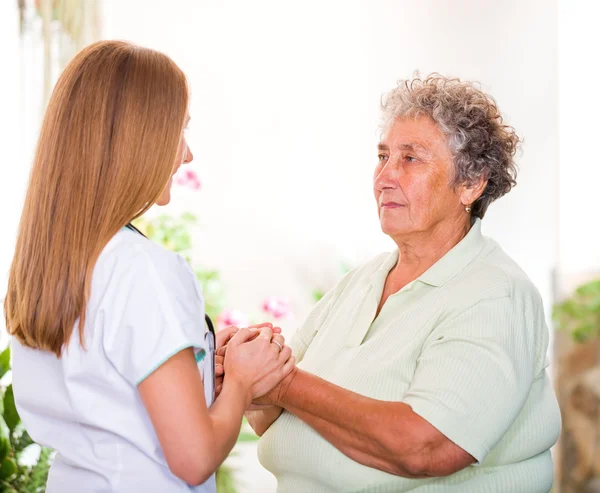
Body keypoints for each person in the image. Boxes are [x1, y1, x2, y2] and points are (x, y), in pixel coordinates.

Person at [245, 75, 562, 492]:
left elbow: (429, 447)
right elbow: (271, 417)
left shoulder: (495, 294)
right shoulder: (361, 282)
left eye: (411, 159)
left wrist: (284, 382)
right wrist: (251, 378)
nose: (384, 177)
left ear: (471, 184)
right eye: (382, 156)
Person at [4, 40, 294, 493]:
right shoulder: (142, 270)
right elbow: (193, 457)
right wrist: (241, 380)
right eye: (180, 131)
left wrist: (201, 375)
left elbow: (111, 402)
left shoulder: (49, 265)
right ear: (138, 140)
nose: (187, 154)